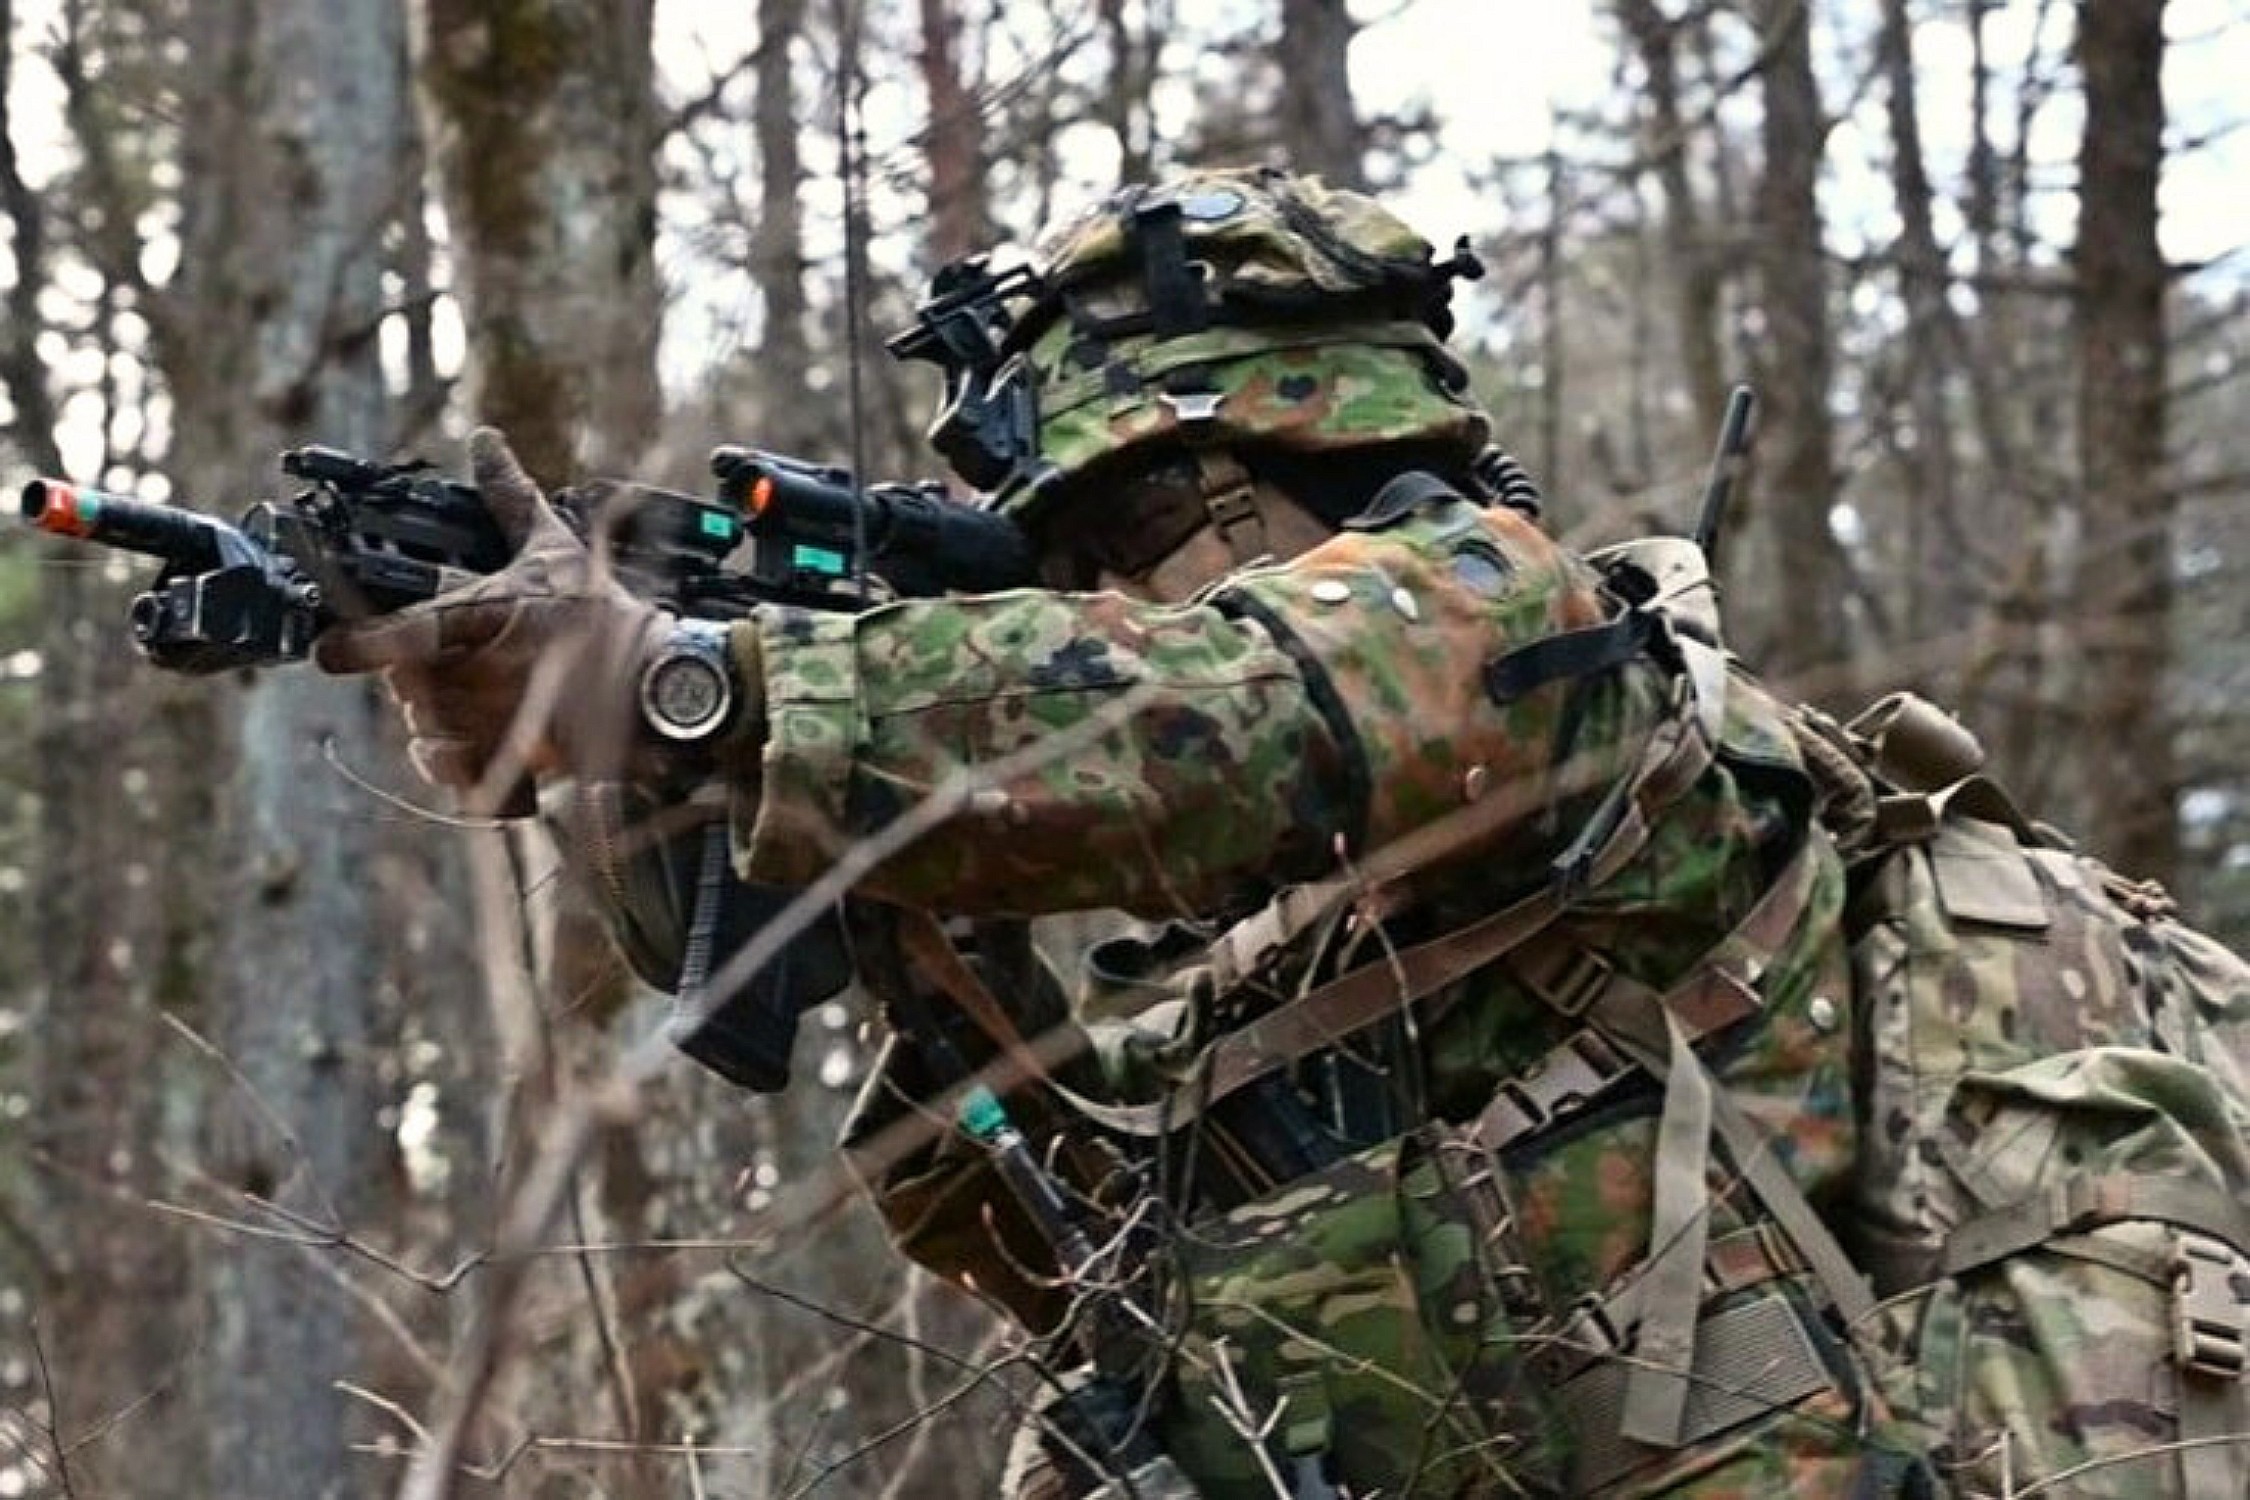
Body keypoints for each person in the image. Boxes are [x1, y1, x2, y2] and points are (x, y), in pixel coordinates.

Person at [317, 167, 2250, 1498]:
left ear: (1267, 474)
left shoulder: (1510, 619)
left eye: (1128, 541)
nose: (1104, 594)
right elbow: (1060, 1230)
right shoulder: (1287, 934)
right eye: (1064, 560)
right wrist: (712, 790)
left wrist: (689, 686)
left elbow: (1203, 726)